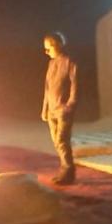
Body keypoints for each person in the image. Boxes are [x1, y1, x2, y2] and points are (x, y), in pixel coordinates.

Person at [41, 31, 78, 185]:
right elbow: (47, 88)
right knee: (57, 142)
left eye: (49, 48)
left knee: (62, 140)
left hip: (63, 109)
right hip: (52, 110)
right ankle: (65, 169)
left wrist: (70, 104)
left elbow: (75, 85)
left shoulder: (70, 62)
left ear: (58, 45)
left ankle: (68, 172)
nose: (46, 51)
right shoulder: (51, 64)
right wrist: (44, 108)